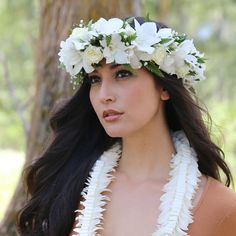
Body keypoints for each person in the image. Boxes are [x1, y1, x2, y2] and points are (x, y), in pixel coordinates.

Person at [17, 16, 236, 236]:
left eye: (122, 74)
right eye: (95, 79)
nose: (104, 95)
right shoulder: (68, 187)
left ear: (164, 87)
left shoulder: (220, 207)